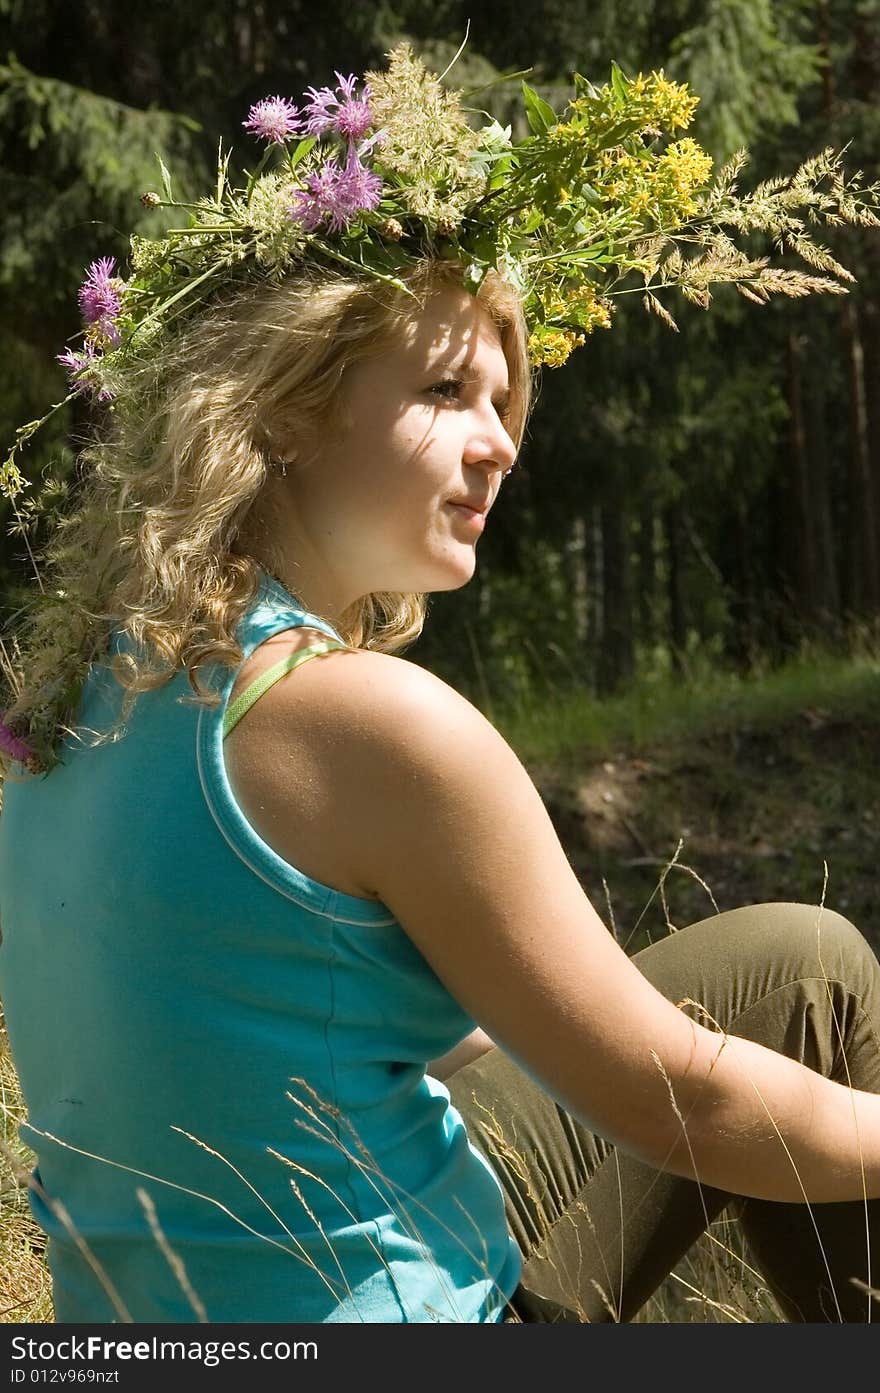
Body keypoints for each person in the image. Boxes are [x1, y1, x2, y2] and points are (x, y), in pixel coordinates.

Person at [1, 47, 879, 1326]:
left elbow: (308, 1014)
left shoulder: (79, 702)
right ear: (285, 408)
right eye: (443, 388)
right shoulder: (369, 724)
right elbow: (681, 1099)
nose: (503, 438)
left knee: (793, 961)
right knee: (805, 1014)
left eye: (503, 393)